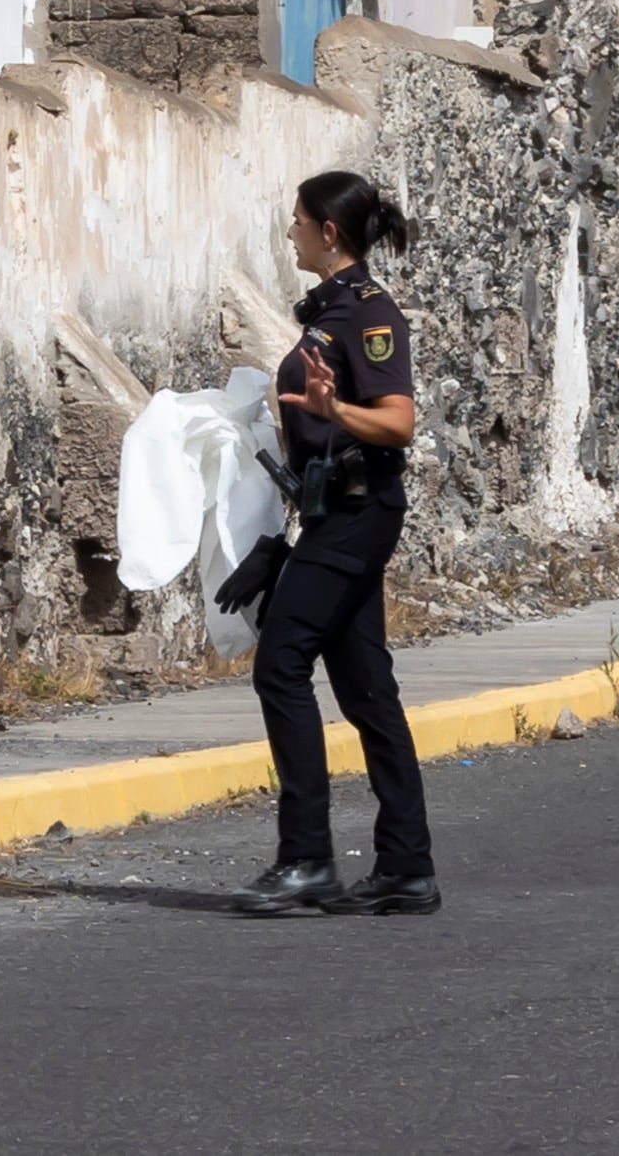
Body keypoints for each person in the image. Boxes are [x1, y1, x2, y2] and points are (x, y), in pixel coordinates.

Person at [219, 169, 440, 917]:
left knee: (280, 663)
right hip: (333, 513)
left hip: (359, 512)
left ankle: (307, 859)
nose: (291, 232)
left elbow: (400, 422)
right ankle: (407, 868)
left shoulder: (368, 316)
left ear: (329, 233)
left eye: (297, 221)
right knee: (366, 689)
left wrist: (334, 408)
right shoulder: (330, 313)